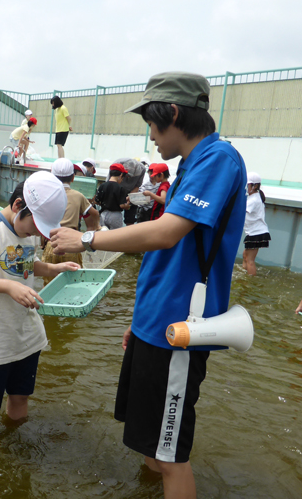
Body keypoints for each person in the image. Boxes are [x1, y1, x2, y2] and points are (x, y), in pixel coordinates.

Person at [50, 71, 247, 499]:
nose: (151, 136)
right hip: (156, 323)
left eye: (152, 124)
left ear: (173, 114)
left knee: (172, 453)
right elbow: (168, 252)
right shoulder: (191, 165)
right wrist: (138, 322)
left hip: (180, 328)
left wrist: (86, 238)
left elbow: (166, 233)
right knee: (150, 442)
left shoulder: (219, 159)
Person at [0, 172, 80, 431]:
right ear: (17, 206)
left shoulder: (27, 231)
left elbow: (25, 266)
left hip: (25, 334)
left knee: (20, 396)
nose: (37, 232)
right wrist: (9, 287)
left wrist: (54, 269)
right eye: (36, 225)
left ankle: (13, 443)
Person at [41, 158, 101, 284]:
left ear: (52, 175)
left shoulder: (46, 195)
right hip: (72, 245)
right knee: (74, 283)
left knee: (48, 285)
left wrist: (43, 243)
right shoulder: (78, 196)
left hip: (52, 243)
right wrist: (92, 230)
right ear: (73, 177)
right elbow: (95, 214)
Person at [242, 172, 270, 276]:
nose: (245, 187)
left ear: (254, 186)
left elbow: (241, 211)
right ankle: (245, 274)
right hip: (255, 232)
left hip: (256, 233)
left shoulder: (253, 200)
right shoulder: (255, 196)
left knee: (250, 260)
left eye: (247, 185)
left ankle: (250, 280)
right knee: (245, 255)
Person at [94, 163, 130, 230]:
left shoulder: (102, 185)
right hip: (115, 216)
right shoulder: (121, 188)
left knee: (102, 234)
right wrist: (127, 205)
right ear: (121, 175)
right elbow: (122, 205)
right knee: (115, 237)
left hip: (103, 214)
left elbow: (96, 201)